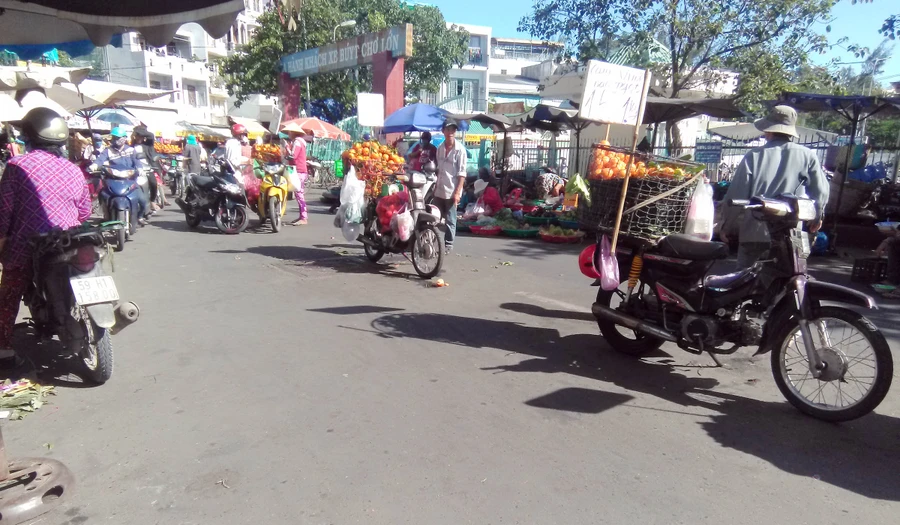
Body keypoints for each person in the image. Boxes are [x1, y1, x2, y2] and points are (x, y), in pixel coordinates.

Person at [0, 108, 91, 368]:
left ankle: (3, 350)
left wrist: (1, 245)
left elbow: (4, 213)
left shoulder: (17, 166)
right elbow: (84, 211)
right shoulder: (72, 170)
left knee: (8, 295)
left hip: (27, 244)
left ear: (28, 136)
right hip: (70, 243)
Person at [721, 105, 829, 269]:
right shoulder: (808, 155)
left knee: (743, 283)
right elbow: (820, 191)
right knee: (789, 283)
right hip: (791, 234)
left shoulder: (754, 156)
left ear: (768, 131)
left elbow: (737, 193)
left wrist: (726, 226)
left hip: (755, 232)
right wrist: (818, 216)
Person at [96, 126, 150, 224]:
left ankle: (140, 216)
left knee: (142, 200)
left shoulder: (130, 150)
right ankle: (106, 214)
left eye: (118, 137)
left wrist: (140, 169)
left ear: (124, 138)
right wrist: (95, 165)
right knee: (103, 195)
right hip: (113, 179)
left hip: (130, 179)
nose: (116, 140)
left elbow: (136, 161)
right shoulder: (108, 150)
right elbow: (100, 160)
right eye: (114, 137)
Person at [433, 120, 467, 252]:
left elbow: (462, 174)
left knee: (450, 219)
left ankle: (448, 244)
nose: (451, 132)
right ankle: (434, 240)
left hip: (452, 190)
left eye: (453, 130)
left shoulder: (460, 151)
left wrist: (457, 193)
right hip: (439, 189)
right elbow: (438, 170)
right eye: (448, 129)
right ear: (443, 131)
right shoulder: (440, 149)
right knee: (434, 217)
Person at [131, 126, 162, 212]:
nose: (139, 138)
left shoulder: (148, 144)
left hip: (147, 168)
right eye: (137, 136)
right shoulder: (131, 146)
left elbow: (151, 135)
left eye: (140, 136)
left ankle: (152, 201)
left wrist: (139, 131)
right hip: (135, 169)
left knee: (153, 183)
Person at [288, 131, 312, 225]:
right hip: (300, 170)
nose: (289, 133)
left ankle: (303, 218)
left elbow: (293, 156)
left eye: (290, 132)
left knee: (299, 194)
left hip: (299, 170)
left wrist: (286, 147)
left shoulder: (297, 142)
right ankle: (302, 216)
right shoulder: (299, 142)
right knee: (299, 194)